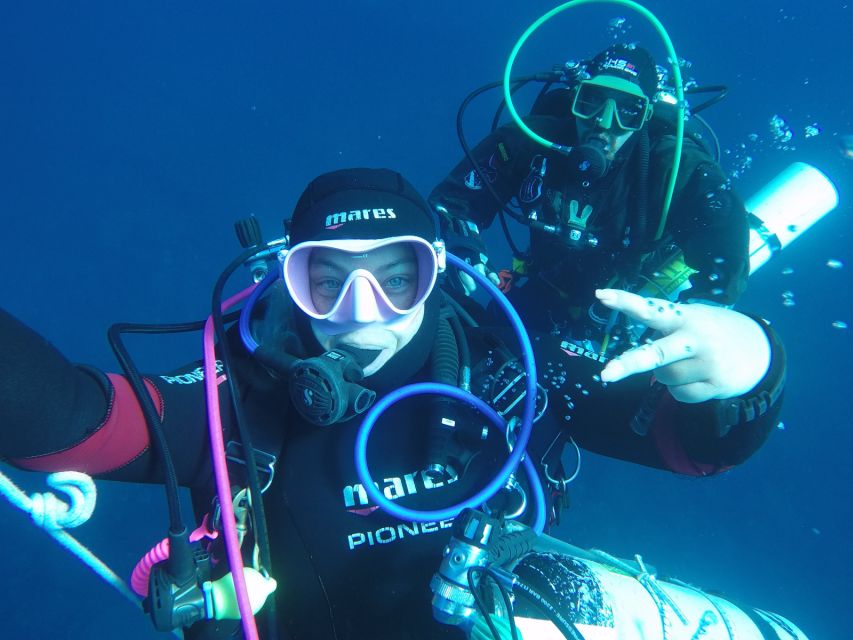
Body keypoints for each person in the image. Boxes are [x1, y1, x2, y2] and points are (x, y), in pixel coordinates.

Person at [1, 168, 786, 639]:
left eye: (396, 275)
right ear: (290, 279)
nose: (362, 309)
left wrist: (749, 370)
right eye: (328, 278)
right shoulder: (236, 399)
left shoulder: (510, 372)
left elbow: (699, 449)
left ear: (437, 268)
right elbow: (74, 425)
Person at [429, 43, 750, 346]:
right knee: (481, 340)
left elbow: (725, 253)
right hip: (547, 288)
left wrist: (695, 317)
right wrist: (463, 247)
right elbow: (457, 201)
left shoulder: (676, 166)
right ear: (574, 100)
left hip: (636, 305)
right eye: (591, 101)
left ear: (646, 117)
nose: (604, 122)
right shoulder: (531, 140)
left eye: (629, 110)